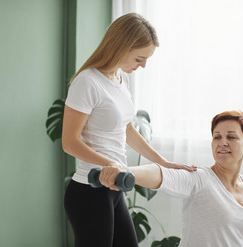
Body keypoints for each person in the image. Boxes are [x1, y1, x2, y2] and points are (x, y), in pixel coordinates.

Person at [62, 13, 196, 247]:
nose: (143, 65)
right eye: (139, 58)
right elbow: (69, 142)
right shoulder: (87, 82)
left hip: (113, 187)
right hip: (90, 189)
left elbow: (127, 130)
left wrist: (163, 162)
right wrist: (109, 163)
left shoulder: (120, 79)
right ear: (121, 47)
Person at [99, 111, 243, 247]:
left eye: (231, 137)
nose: (222, 142)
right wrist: (124, 171)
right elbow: (161, 174)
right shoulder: (200, 178)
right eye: (217, 137)